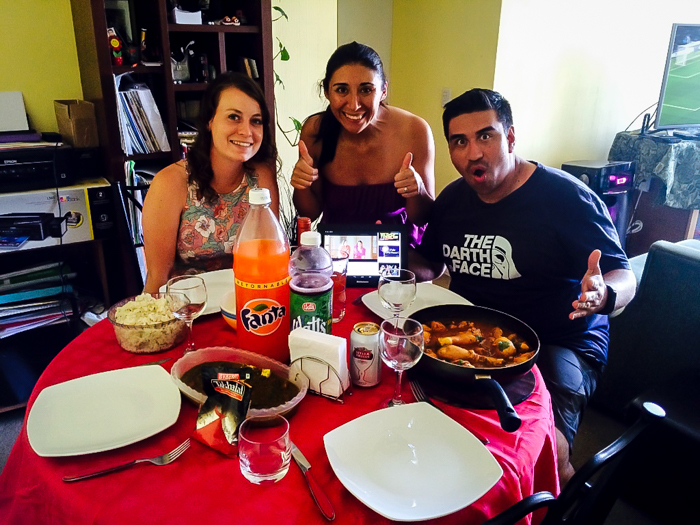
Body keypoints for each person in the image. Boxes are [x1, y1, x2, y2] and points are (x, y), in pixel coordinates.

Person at [411, 88, 637, 486]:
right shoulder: (452, 199)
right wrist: (381, 254)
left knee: (548, 447)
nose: (473, 153)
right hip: (472, 338)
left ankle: (560, 498)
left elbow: (624, 275)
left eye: (486, 136)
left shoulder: (566, 198)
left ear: (511, 137)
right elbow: (430, 265)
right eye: (459, 142)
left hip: (559, 340)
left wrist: (603, 295)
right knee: (429, 420)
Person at [142, 72, 279, 293]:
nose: (246, 131)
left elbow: (267, 258)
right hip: (189, 310)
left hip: (246, 303)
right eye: (234, 117)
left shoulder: (261, 177)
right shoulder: (171, 183)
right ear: (210, 121)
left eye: (256, 121)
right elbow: (159, 276)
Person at [290, 41, 435, 248]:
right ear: (327, 92)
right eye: (342, 90)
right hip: (336, 251)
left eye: (366, 90)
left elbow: (423, 217)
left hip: (396, 250)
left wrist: (417, 190)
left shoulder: (414, 130)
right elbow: (309, 213)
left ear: (383, 90)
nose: (354, 104)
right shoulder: (315, 131)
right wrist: (302, 185)